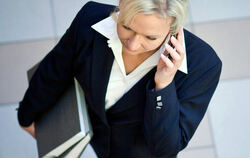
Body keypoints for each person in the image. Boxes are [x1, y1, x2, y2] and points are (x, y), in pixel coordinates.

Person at [17, 0, 222, 158]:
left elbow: (165, 150)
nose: (132, 45)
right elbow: (54, 71)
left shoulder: (203, 66)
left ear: (173, 28)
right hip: (95, 137)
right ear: (121, 3)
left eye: (150, 37)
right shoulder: (90, 19)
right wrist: (26, 116)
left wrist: (164, 86)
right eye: (126, 27)